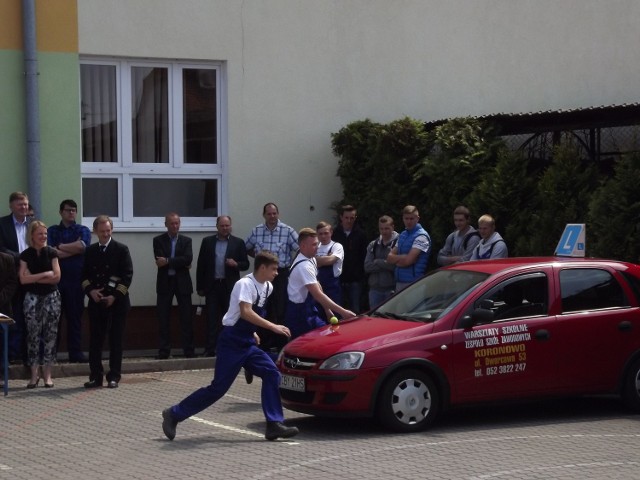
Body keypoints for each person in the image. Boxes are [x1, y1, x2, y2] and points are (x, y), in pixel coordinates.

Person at [161, 252, 299, 442]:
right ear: (262, 268)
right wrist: (272, 326)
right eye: (274, 269)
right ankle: (174, 414)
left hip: (247, 342)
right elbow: (245, 312)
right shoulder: (245, 284)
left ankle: (274, 424)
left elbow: (250, 314)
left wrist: (252, 332)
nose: (276, 273)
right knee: (218, 389)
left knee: (272, 373)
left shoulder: (268, 287)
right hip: (231, 341)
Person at [82, 215, 133, 389]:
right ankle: (96, 376)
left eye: (108, 231)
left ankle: (114, 376)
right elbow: (83, 276)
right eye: (102, 231)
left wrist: (114, 296)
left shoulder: (121, 249)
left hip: (117, 303)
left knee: (116, 340)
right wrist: (91, 291)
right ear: (95, 231)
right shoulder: (90, 251)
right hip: (97, 302)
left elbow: (127, 277)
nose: (105, 234)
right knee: (95, 341)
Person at [245, 203, 298, 350]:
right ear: (264, 215)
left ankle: (281, 345)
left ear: (278, 214)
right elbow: (246, 247)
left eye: (274, 213)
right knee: (262, 309)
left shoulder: (288, 231)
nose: (272, 216)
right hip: (262, 277)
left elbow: (300, 249)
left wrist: (293, 266)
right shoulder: (256, 231)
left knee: (280, 310)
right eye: (269, 214)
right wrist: (258, 258)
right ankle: (264, 345)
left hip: (281, 275)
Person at [285, 228, 355, 339]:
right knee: (307, 349)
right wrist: (343, 312)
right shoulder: (304, 266)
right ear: (303, 246)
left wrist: (327, 309)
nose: (317, 247)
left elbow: (317, 284)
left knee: (331, 337)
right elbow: (317, 294)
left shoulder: (311, 259)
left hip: (309, 311)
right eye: (313, 245)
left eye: (317, 244)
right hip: (299, 315)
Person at [197, 215, 249, 357]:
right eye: (222, 226)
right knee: (212, 319)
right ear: (217, 227)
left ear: (230, 226)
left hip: (230, 287)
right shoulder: (207, 242)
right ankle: (210, 349)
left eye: (227, 226)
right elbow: (201, 265)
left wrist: (236, 264)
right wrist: (200, 287)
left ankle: (230, 347)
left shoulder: (238, 243)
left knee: (231, 318)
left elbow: (246, 264)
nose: (225, 228)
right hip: (212, 286)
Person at [48, 199, 91, 363]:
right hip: (56, 282)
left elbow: (82, 246)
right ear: (61, 212)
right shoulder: (52, 230)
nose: (71, 213)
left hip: (76, 281)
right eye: (68, 210)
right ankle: (51, 355)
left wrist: (61, 246)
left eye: (74, 210)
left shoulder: (83, 229)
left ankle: (75, 353)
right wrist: (71, 250)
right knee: (54, 320)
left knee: (75, 318)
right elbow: (51, 252)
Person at [19, 221, 61, 388]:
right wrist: (45, 274)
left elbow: (57, 277)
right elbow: (22, 279)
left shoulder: (52, 252)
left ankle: (48, 375)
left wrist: (33, 276)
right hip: (32, 298)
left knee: (50, 335)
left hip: (52, 297)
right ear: (32, 236)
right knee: (33, 336)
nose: (43, 237)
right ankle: (34, 375)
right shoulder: (25, 255)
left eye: (45, 234)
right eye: (40, 234)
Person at [153, 213, 195, 359]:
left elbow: (188, 258)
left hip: (182, 283)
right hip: (165, 283)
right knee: (163, 318)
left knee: (186, 317)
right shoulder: (158, 240)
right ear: (166, 224)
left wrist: (169, 261)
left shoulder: (186, 241)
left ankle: (188, 351)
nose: (175, 226)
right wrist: (180, 262)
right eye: (172, 223)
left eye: (177, 223)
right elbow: (159, 260)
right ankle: (164, 351)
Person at [0, 191, 31, 364]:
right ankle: (11, 354)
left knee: (28, 316)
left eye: (25, 204)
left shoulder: (34, 224)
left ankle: (26, 354)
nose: (23, 207)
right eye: (20, 204)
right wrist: (21, 258)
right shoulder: (2, 224)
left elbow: (40, 246)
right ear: (11, 206)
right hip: (9, 277)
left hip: (31, 277)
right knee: (12, 315)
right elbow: (1, 248)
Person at [386, 205, 431, 292]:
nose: (409, 221)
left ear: (417, 219)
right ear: (403, 218)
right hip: (400, 282)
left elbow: (408, 261)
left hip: (414, 283)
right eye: (406, 218)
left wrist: (398, 260)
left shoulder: (422, 236)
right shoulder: (403, 234)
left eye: (411, 218)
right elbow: (389, 258)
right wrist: (402, 257)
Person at [331, 205, 368, 313]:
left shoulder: (361, 234)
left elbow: (363, 256)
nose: (349, 220)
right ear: (341, 217)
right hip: (339, 278)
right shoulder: (334, 234)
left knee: (355, 309)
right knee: (339, 309)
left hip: (355, 280)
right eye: (347, 217)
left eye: (352, 218)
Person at [364, 215, 399, 307]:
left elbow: (395, 266)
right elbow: (367, 266)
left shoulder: (398, 243)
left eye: (387, 228)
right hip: (374, 289)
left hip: (392, 288)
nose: (384, 231)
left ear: (393, 227)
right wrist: (386, 263)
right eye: (381, 229)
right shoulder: (373, 244)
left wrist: (377, 261)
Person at [315, 221, 344, 320]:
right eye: (320, 234)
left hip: (332, 287)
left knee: (335, 315)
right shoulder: (315, 247)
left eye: (326, 233)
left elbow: (331, 260)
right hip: (317, 286)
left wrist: (316, 259)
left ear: (331, 232)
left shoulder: (337, 246)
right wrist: (324, 259)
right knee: (319, 315)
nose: (323, 236)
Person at [0, 251, 18, 369]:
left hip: (2, 307)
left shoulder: (7, 259)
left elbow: (12, 283)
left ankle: (1, 373)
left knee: (1, 342)